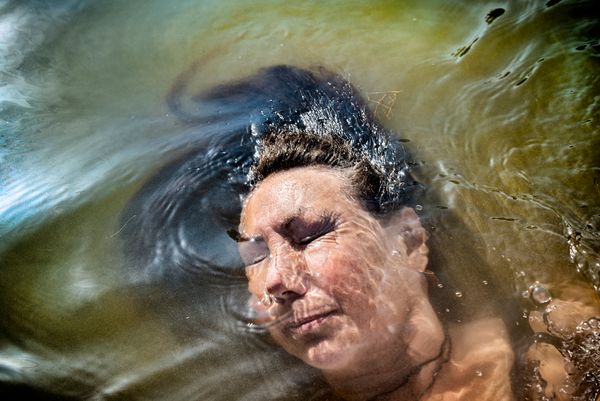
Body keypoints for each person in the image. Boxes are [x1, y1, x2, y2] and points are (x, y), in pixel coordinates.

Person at [124, 65, 600, 400]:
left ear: (409, 241)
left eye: (309, 235)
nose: (277, 279)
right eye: (256, 255)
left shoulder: (558, 340)